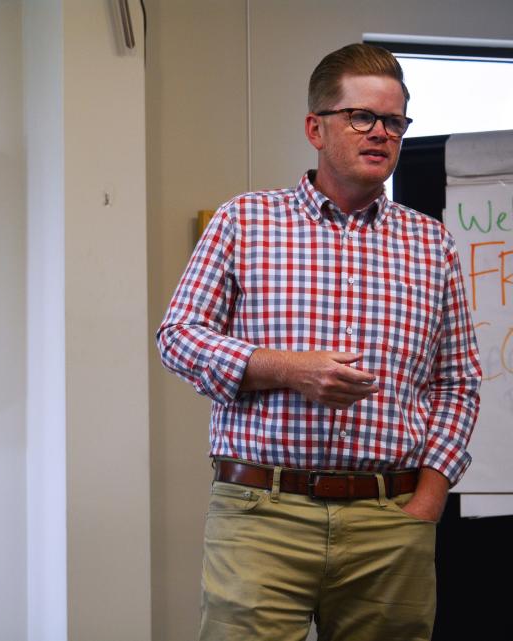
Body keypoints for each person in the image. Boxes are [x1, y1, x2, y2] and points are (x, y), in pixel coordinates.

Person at [156, 43, 481, 641]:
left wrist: (428, 500)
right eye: (362, 116)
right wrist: (287, 368)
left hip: (391, 520)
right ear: (315, 127)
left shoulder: (431, 243)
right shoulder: (245, 221)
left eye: (394, 122)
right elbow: (177, 338)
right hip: (262, 514)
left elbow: (458, 382)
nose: (380, 133)